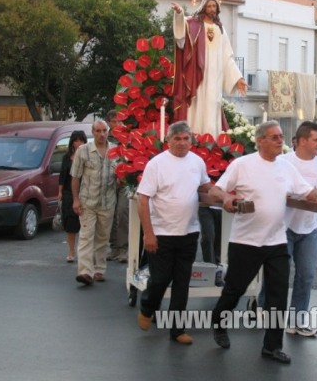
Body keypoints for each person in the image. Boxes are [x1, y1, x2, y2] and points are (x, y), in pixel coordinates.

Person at [208, 120, 317, 364]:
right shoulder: (242, 165)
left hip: (276, 241)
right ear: (260, 141)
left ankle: (272, 346)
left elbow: (307, 190)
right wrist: (226, 198)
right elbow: (216, 190)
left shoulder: (286, 168)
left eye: (281, 137)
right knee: (235, 289)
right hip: (246, 241)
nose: (280, 141)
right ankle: (219, 321)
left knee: (278, 295)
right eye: (275, 137)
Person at [135, 121, 213, 344]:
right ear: (168, 140)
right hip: (161, 233)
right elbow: (143, 199)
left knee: (182, 283)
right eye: (177, 138)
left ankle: (177, 330)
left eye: (185, 138)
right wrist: (148, 233)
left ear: (191, 140)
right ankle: (148, 307)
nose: (181, 142)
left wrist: (224, 193)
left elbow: (206, 186)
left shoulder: (197, 162)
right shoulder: (156, 164)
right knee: (160, 279)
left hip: (188, 233)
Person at [273, 121, 317, 337]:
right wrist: (306, 193)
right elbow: (277, 189)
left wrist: (302, 193)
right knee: (278, 274)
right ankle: (265, 311)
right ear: (303, 140)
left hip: (308, 228)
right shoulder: (282, 162)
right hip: (282, 227)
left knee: (306, 275)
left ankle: (297, 320)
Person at [171, 0, 247, 137]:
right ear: (203, 8)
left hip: (215, 76)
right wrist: (179, 14)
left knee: (213, 103)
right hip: (197, 74)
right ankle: (195, 137)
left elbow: (227, 57)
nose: (212, 9)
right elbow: (181, 39)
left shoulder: (220, 29)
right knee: (197, 105)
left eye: (214, 6)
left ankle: (211, 140)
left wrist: (238, 78)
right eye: (209, 6)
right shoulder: (193, 24)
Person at [71, 120, 117, 285]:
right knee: (86, 237)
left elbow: (120, 176)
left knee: (102, 237)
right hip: (87, 201)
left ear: (108, 131)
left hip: (107, 202)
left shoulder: (115, 151)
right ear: (92, 132)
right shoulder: (83, 151)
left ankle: (99, 269)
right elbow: (75, 177)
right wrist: (76, 200)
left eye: (104, 130)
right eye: (98, 131)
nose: (101, 134)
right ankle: (85, 271)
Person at [58, 130, 88, 263]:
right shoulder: (67, 157)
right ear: (72, 142)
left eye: (81, 140)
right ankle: (71, 250)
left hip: (86, 192)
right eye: (76, 140)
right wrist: (60, 191)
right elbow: (62, 175)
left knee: (86, 224)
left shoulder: (88, 156)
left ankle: (86, 252)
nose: (79, 143)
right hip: (69, 193)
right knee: (70, 224)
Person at [106, 109, 129, 263]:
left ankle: (123, 248)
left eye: (119, 121)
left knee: (122, 212)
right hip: (108, 181)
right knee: (110, 214)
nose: (116, 124)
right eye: (113, 122)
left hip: (124, 182)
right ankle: (114, 247)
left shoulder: (127, 139)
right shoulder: (105, 139)